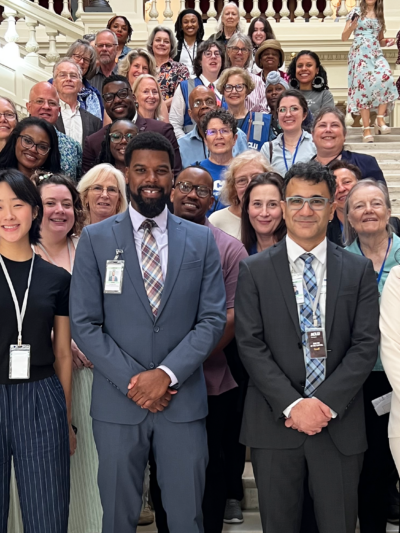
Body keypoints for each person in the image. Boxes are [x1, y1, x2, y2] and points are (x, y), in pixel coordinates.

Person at [70, 131, 226, 533]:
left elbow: (211, 320)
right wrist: (135, 382)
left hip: (182, 402)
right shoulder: (95, 239)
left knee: (186, 516)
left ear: (173, 177)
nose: (151, 179)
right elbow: (85, 323)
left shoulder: (201, 239)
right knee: (118, 517)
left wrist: (166, 375)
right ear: (127, 174)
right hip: (119, 404)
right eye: (141, 170)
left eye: (161, 170)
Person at [235, 160, 380, 533]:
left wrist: (323, 404)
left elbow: (365, 345)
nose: (305, 210)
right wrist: (294, 404)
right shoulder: (255, 270)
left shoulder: (357, 269)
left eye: (317, 201)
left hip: (339, 425)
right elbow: (250, 345)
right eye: (296, 200)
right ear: (282, 206)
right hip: (274, 423)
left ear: (334, 209)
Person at [151, 164, 248, 533]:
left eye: (202, 191)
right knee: (162, 471)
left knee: (209, 470)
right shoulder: (146, 241)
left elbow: (231, 317)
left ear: (213, 200)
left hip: (209, 383)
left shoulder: (228, 248)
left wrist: (176, 367)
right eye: (186, 187)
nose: (192, 195)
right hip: (151, 385)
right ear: (172, 190)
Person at [0, 168, 76, 532]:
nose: (8, 215)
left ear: (34, 210)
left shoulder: (57, 279)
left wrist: (67, 418)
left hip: (42, 398)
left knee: (47, 511)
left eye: (16, 204)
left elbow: (63, 353)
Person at [342, 178, 400, 533]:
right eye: (359, 206)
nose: (368, 211)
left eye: (376, 204)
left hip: (398, 376)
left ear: (390, 212)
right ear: (347, 218)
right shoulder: (339, 261)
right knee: (367, 463)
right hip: (357, 379)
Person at [82, 74, 182, 177]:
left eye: (123, 93)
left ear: (134, 97)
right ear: (104, 104)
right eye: (109, 97)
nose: (117, 100)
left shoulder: (162, 131)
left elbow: (175, 177)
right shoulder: (93, 142)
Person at [342, 1, 398, 143]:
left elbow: (379, 40)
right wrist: (352, 27)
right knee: (363, 90)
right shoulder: (355, 11)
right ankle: (366, 129)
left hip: (375, 53)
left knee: (387, 78)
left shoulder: (379, 15)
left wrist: (388, 41)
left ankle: (379, 120)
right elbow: (344, 37)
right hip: (359, 53)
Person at [177, 86, 248, 169]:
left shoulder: (237, 134)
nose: (204, 106)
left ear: (217, 107)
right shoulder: (181, 145)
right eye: (197, 103)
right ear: (190, 113)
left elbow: (246, 168)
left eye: (209, 102)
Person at [209, 150, 272, 240]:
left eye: (256, 177)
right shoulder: (216, 221)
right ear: (233, 187)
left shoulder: (277, 217)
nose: (250, 184)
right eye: (242, 180)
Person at [311, 106, 386, 182]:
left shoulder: (366, 163)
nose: (328, 130)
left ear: (344, 134)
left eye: (334, 125)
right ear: (312, 135)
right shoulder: (303, 171)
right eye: (322, 125)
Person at [26, 81, 82, 181]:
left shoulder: (73, 147)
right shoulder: (15, 139)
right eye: (40, 101)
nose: (46, 107)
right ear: (28, 107)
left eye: (52, 103)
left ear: (59, 110)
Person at [170, 41, 225, 139]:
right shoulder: (185, 86)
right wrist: (187, 144)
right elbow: (174, 123)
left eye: (217, 54)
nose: (213, 56)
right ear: (199, 61)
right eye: (208, 53)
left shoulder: (229, 88)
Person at [260, 90, 316, 176]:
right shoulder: (268, 149)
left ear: (304, 115)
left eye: (294, 109)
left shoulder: (315, 143)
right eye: (282, 110)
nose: (288, 114)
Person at [217, 67, 271, 151]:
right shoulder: (216, 122)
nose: (234, 91)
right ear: (222, 91)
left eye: (239, 87)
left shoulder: (264, 121)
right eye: (228, 87)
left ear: (247, 90)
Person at [53, 58, 102, 147]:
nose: (68, 79)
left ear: (80, 85)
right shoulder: (45, 114)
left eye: (73, 76)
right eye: (63, 75)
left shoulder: (95, 122)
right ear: (54, 84)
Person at [197, 108, 238, 214]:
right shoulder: (196, 172)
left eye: (224, 131)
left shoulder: (245, 170)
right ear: (205, 140)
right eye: (212, 132)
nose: (219, 137)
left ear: (235, 138)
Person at [241, 172, 286, 255]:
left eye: (272, 204)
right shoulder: (240, 253)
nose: (264, 213)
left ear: (284, 208)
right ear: (247, 208)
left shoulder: (294, 252)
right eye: (257, 204)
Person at [147, 26, 190, 109]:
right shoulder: (145, 66)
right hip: (144, 117)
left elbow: (182, 95)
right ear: (152, 43)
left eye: (166, 41)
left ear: (171, 46)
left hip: (171, 117)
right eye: (158, 40)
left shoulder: (181, 69)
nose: (161, 43)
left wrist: (158, 108)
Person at [224, 33, 268, 112]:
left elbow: (264, 111)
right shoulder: (221, 79)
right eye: (235, 48)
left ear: (249, 53)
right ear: (228, 51)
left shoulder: (258, 81)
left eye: (244, 49)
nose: (239, 53)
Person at [65, 38, 104, 120]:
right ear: (69, 57)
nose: (82, 62)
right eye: (78, 57)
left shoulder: (94, 94)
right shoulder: (53, 85)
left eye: (86, 59)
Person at [287, 51, 334, 116]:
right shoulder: (287, 93)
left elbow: (328, 119)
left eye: (309, 65)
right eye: (300, 66)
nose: (303, 68)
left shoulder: (325, 95)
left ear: (317, 70)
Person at [173, 9, 204, 75]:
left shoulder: (205, 46)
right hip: (181, 84)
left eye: (193, 21)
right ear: (181, 26)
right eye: (186, 22)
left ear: (198, 25)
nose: (189, 25)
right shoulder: (175, 47)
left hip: (201, 83)